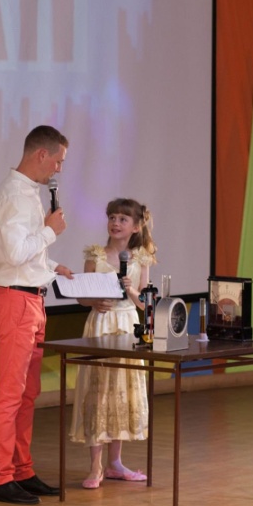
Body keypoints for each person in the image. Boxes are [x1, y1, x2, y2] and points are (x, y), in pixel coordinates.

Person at [0, 125, 74, 505]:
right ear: (41, 154)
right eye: (58, 161)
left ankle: (21, 470)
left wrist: (51, 267)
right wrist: (51, 232)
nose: (58, 169)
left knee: (27, 393)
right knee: (10, 393)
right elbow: (15, 253)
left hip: (32, 300)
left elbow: (25, 256)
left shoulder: (28, 194)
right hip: (16, 303)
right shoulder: (13, 195)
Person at [70, 198, 157, 489]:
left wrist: (131, 291)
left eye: (122, 219)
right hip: (101, 324)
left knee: (122, 390)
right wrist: (94, 301)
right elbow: (81, 296)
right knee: (98, 390)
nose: (115, 223)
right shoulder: (96, 255)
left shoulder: (141, 259)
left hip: (128, 325)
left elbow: (145, 304)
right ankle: (95, 465)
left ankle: (115, 462)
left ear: (136, 226)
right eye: (112, 217)